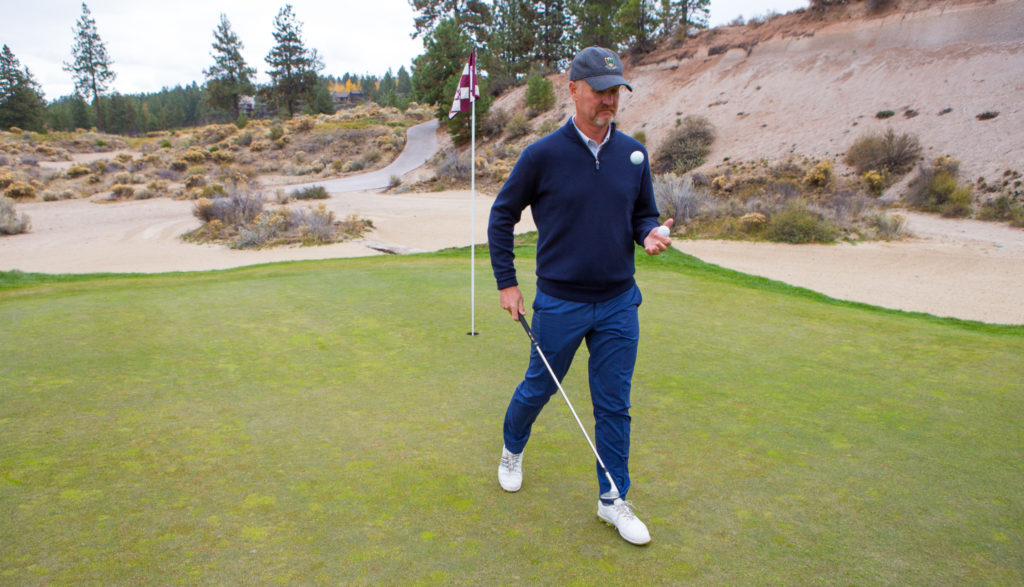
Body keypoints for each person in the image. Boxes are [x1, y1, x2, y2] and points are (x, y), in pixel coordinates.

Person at [486, 46, 672, 546]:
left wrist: (650, 233)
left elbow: (642, 214)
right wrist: (507, 282)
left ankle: (613, 500)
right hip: (560, 303)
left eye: (616, 91)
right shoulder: (542, 155)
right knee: (538, 388)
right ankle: (512, 447)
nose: (610, 100)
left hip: (617, 302)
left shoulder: (633, 154)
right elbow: (502, 214)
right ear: (573, 90)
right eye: (600, 91)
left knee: (614, 405)